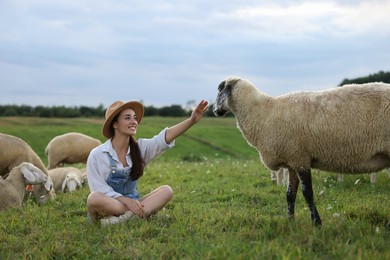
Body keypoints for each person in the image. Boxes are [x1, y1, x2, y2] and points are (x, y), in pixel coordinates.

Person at [86, 99, 209, 226]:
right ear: (115, 124)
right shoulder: (98, 154)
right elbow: (98, 188)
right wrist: (127, 202)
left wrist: (191, 121)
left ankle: (121, 221)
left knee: (166, 191)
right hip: (110, 206)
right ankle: (142, 214)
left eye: (135, 118)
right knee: (93, 198)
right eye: (127, 118)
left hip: (135, 205)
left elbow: (163, 139)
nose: (134, 122)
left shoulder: (140, 148)